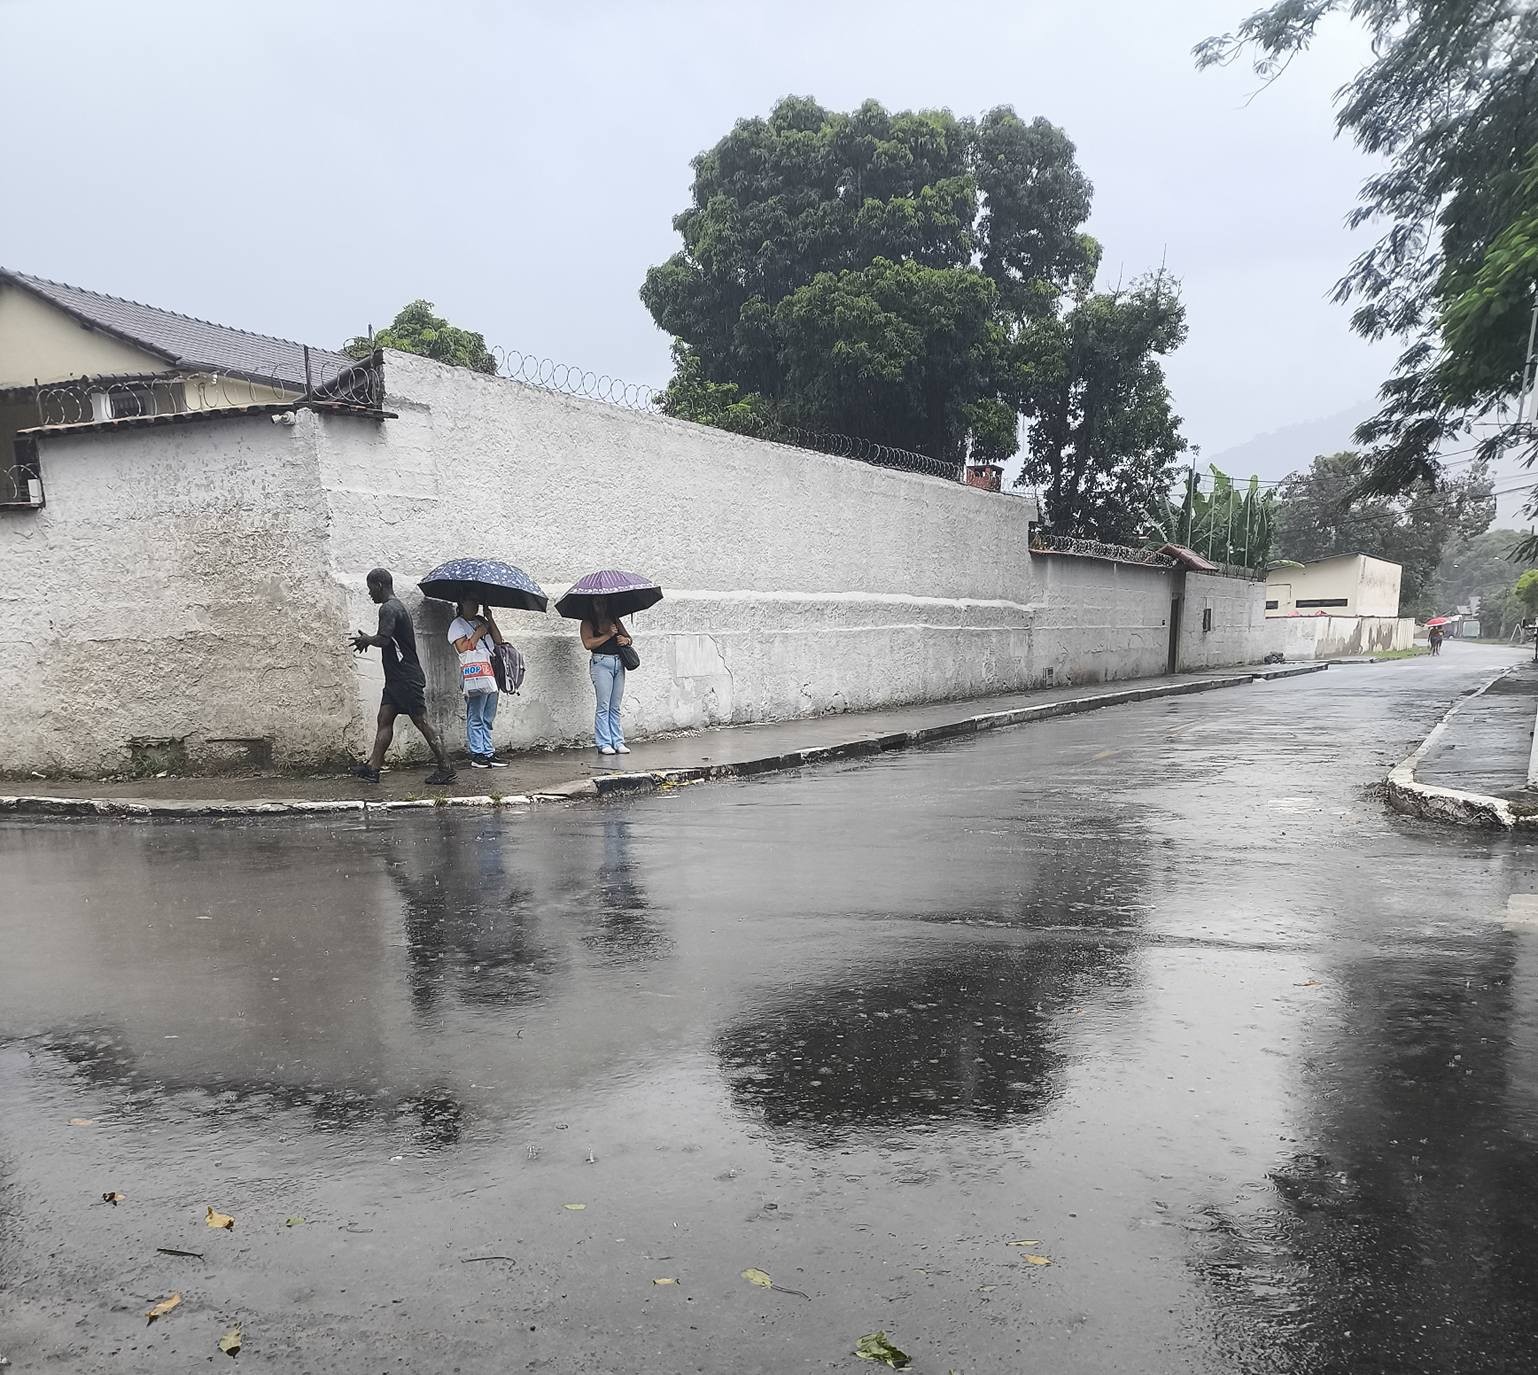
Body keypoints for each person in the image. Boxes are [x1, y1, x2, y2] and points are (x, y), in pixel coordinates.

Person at [349, 568, 456, 785]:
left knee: (422, 721)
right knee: (384, 719)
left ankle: (446, 767)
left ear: (379, 585)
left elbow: (384, 639)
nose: (370, 594)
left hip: (406, 678)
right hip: (396, 680)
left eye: (371, 589)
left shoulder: (389, 608)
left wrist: (367, 640)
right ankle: (373, 768)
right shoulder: (396, 607)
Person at [448, 599, 508, 768]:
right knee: (476, 714)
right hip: (475, 673)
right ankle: (477, 753)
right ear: (462, 605)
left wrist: (490, 620)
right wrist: (478, 633)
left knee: (488, 715)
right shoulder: (457, 625)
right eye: (470, 602)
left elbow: (498, 640)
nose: (474, 606)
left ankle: (488, 751)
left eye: (476, 603)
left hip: (491, 671)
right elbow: (464, 649)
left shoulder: (481, 620)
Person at [580, 596, 631, 756]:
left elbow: (628, 638)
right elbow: (588, 644)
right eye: (597, 602)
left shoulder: (614, 619)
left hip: (618, 663)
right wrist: (608, 635)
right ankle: (604, 742)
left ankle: (618, 741)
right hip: (601, 663)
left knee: (615, 706)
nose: (601, 606)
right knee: (603, 705)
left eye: (603, 602)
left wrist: (626, 640)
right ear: (592, 605)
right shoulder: (588, 623)